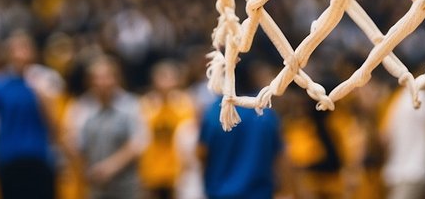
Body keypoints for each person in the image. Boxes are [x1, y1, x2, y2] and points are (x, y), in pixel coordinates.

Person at [196, 63, 297, 199]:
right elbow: (281, 157)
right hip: (259, 194)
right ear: (252, 77)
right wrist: (287, 191)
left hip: (219, 192)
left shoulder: (214, 112)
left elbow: (202, 154)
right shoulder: (265, 114)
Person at [0, 32, 59, 199]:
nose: (20, 54)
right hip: (9, 156)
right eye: (16, 49)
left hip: (39, 156)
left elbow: (54, 123)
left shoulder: (45, 80)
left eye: (25, 48)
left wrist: (41, 93)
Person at [66, 56, 145, 199]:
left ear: (117, 79)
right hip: (95, 185)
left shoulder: (131, 105)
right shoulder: (81, 108)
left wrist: (110, 167)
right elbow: (72, 142)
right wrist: (88, 169)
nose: (101, 82)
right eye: (96, 78)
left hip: (127, 186)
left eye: (106, 77)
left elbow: (137, 143)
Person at [139, 60, 196, 199]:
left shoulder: (186, 102)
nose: (165, 82)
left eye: (169, 77)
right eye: (161, 77)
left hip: (178, 168)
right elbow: (142, 137)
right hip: (152, 168)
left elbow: (189, 135)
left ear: (177, 80)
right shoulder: (146, 103)